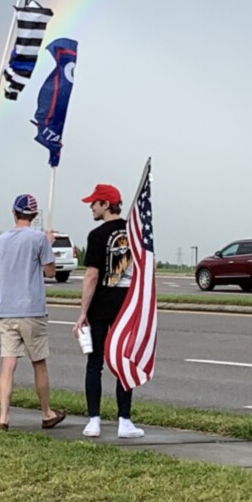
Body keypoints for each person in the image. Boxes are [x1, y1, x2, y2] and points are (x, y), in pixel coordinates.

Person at [73, 184, 145, 439]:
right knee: (124, 362)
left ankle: (94, 420)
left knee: (95, 364)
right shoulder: (135, 232)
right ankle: (125, 420)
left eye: (94, 203)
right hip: (127, 306)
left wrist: (82, 312)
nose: (91, 207)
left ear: (105, 204)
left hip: (101, 306)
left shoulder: (96, 235)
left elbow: (92, 275)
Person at [0, 194, 66, 430]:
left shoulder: (0, 240)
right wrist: (48, 244)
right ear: (34, 216)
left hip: (6, 308)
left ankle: (4, 417)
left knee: (8, 364)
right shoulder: (38, 239)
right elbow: (50, 272)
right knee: (39, 363)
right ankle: (46, 412)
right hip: (32, 308)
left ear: (14, 213)